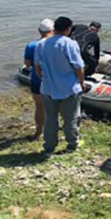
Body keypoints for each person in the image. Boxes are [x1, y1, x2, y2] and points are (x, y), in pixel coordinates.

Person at [35, 16, 87, 156]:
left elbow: (38, 67)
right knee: (71, 117)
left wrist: (44, 79)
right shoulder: (70, 43)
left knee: (50, 118)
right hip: (69, 87)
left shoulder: (41, 44)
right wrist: (82, 82)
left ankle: (49, 148)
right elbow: (78, 67)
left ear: (54, 28)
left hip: (48, 88)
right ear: (68, 29)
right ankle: (72, 144)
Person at [24, 18, 54, 140]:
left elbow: (27, 64)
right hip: (54, 80)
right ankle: (58, 130)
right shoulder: (58, 44)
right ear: (53, 30)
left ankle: (38, 132)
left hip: (37, 80)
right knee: (58, 106)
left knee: (40, 107)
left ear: (39, 31)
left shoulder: (31, 46)